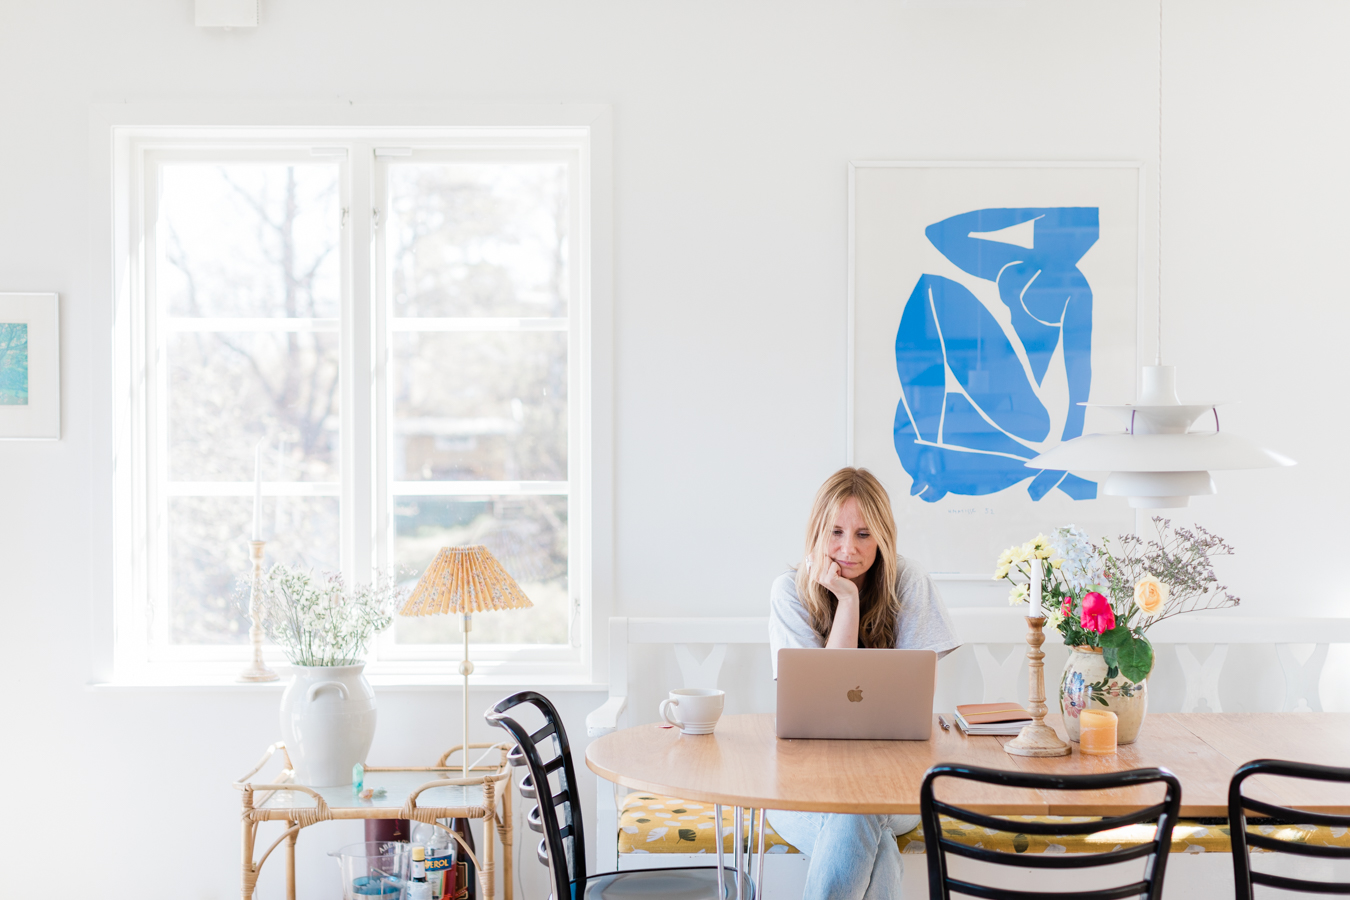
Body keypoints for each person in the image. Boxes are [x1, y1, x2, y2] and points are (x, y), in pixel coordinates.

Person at [767, 467, 961, 900]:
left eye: (863, 534)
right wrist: (847, 600)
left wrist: (852, 596)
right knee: (880, 853)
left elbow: (912, 705)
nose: (847, 549)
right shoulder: (788, 593)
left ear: (884, 538)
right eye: (835, 532)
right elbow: (827, 706)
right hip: (803, 788)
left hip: (893, 788)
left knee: (860, 808)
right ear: (817, 531)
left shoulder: (906, 582)